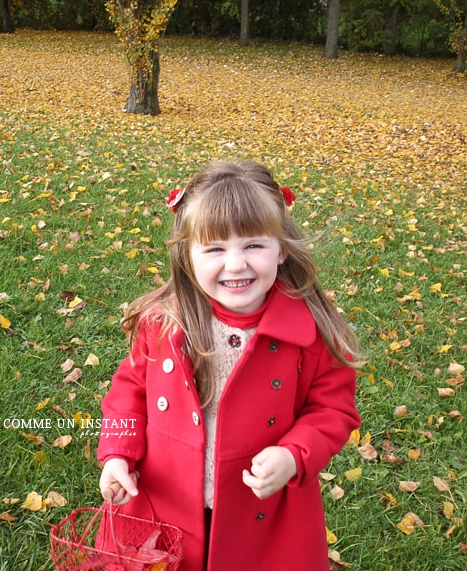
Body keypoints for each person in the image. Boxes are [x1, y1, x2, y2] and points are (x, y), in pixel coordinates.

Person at [97, 160, 361, 571]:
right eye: (215, 248)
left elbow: (332, 410)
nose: (235, 264)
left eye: (253, 245)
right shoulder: (164, 321)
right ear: (188, 254)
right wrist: (116, 455)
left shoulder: (311, 333)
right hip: (164, 504)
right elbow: (126, 395)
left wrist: (294, 455)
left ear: (282, 246)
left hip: (261, 517)